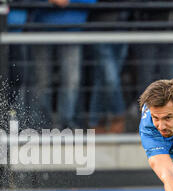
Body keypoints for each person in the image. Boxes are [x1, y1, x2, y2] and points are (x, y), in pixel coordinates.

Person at [29, 0, 97, 130]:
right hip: (41, 28)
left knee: (71, 79)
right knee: (41, 79)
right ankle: (41, 124)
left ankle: (66, 123)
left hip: (72, 28)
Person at [87, 0, 129, 133]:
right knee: (110, 77)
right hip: (100, 26)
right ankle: (118, 114)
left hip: (124, 25)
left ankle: (94, 120)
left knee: (103, 77)